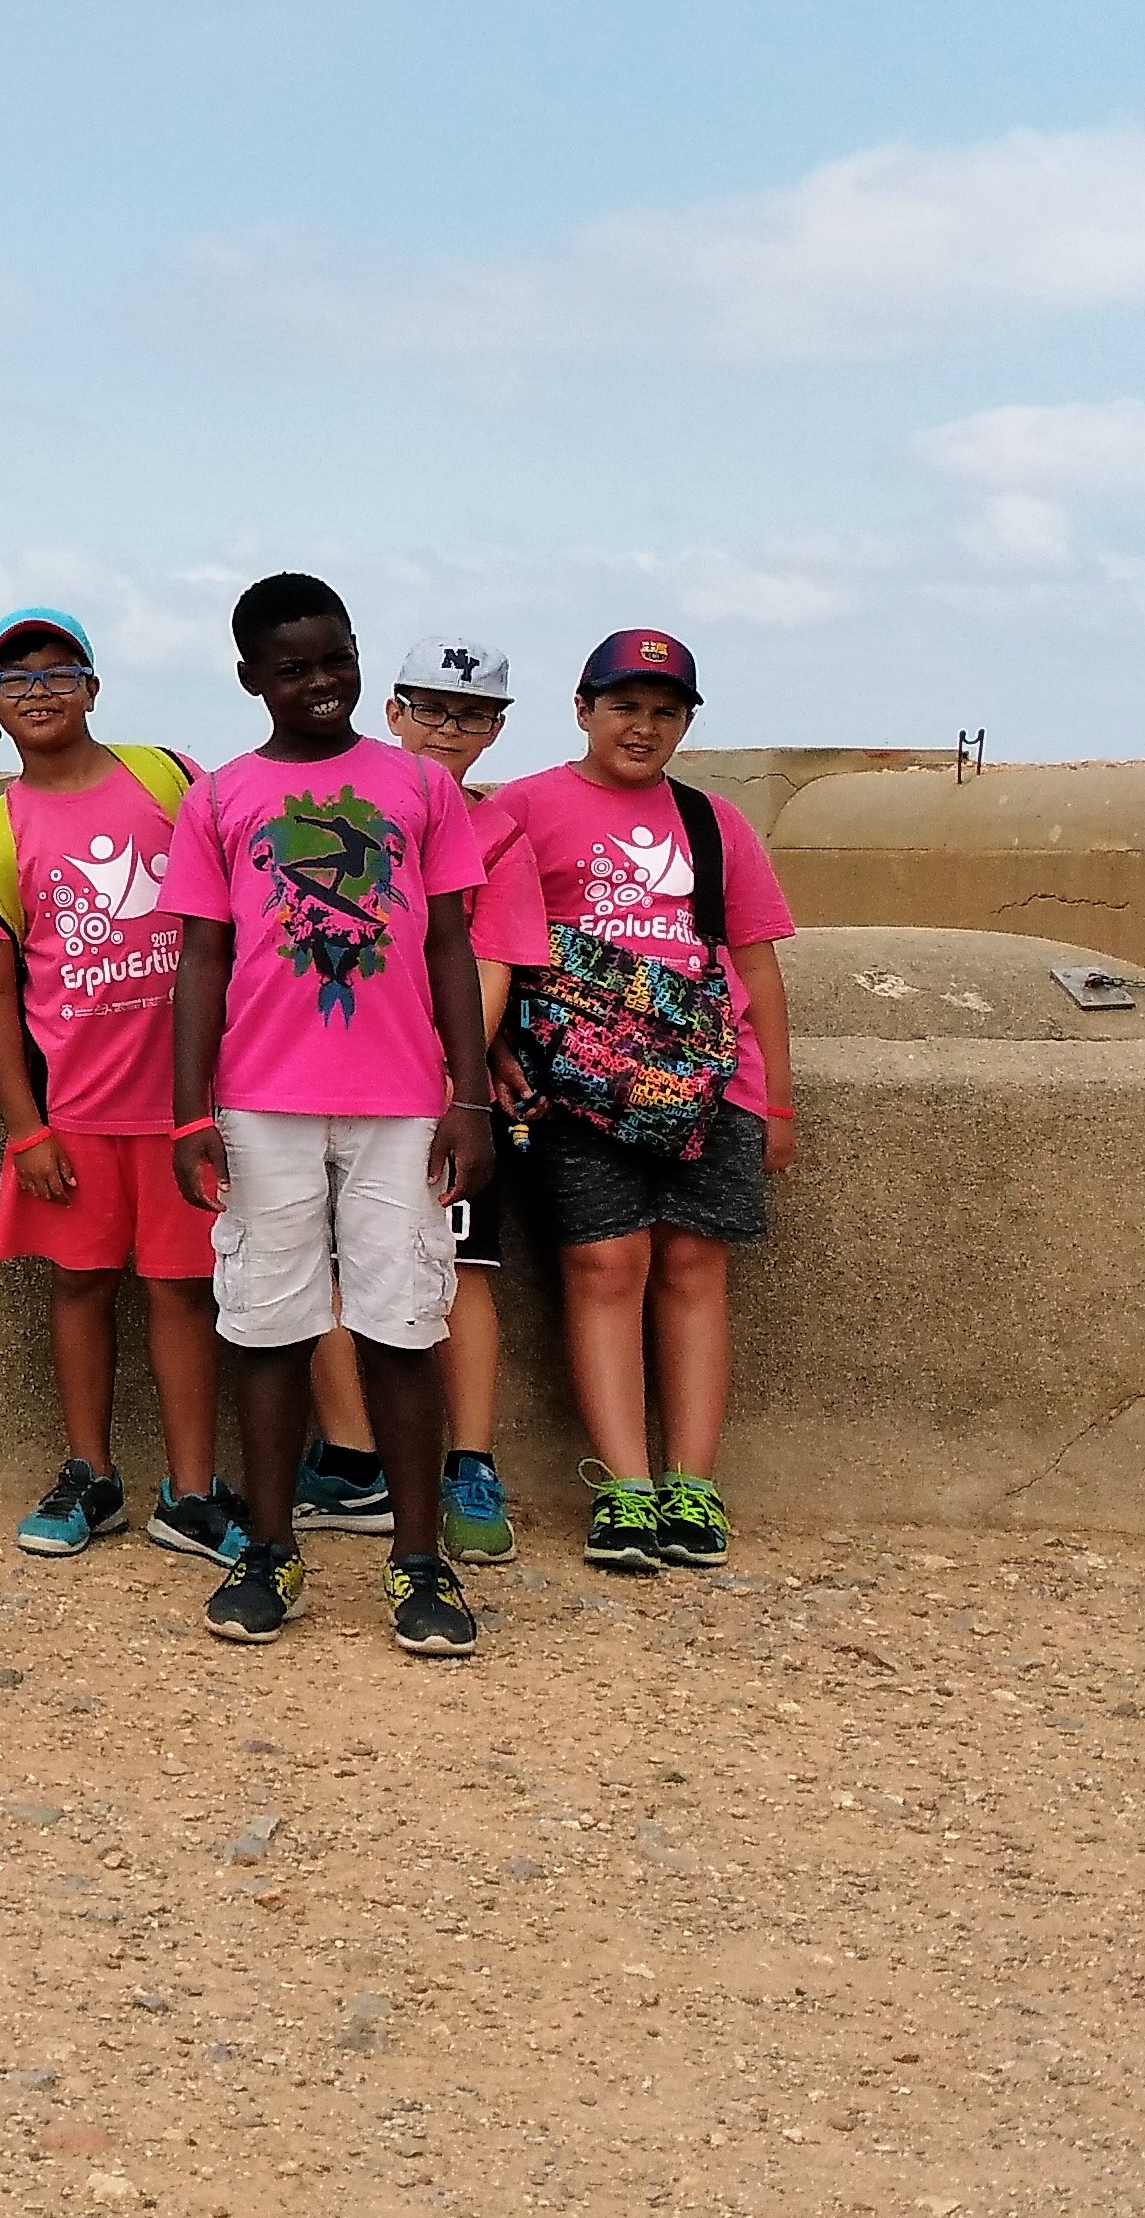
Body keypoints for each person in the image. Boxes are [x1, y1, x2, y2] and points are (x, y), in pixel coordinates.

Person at [166, 574, 496, 1662]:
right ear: (251, 678)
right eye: (293, 667)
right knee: (269, 1324)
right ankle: (269, 1547)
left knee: (404, 1324)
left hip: (402, 1102)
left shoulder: (420, 788)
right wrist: (188, 1113)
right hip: (261, 1101)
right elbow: (202, 957)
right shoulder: (221, 797)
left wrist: (469, 1095)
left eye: (336, 659)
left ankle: (419, 1557)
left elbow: (448, 941)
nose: (320, 682)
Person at [482, 630, 797, 1579]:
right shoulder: (523, 809)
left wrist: (778, 1101)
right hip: (577, 1085)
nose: (643, 726)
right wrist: (493, 1050)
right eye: (623, 705)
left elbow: (755, 963)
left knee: (695, 1265)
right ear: (583, 710)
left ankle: (691, 1484)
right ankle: (624, 1486)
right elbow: (481, 940)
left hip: (711, 1083)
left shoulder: (713, 822)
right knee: (603, 1264)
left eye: (666, 710)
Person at [0, 609, 232, 1563]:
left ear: (93, 688)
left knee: (185, 1292)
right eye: (16, 680)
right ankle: (90, 1474)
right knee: (80, 1285)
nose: (39, 692)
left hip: (185, 1108)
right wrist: (26, 1129)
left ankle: (192, 1491)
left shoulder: (169, 780)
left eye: (59, 673)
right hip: (77, 1111)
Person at [373, 637, 545, 1562]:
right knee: (334, 1269)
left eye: (472, 714)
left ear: (496, 729)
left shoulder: (501, 834)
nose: (448, 728)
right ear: (393, 712)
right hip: (342, 1081)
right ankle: (354, 1460)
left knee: (460, 1267)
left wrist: (457, 1077)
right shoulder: (349, 809)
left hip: (443, 1089)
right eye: (431, 708)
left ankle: (470, 1462)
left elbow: (491, 964)